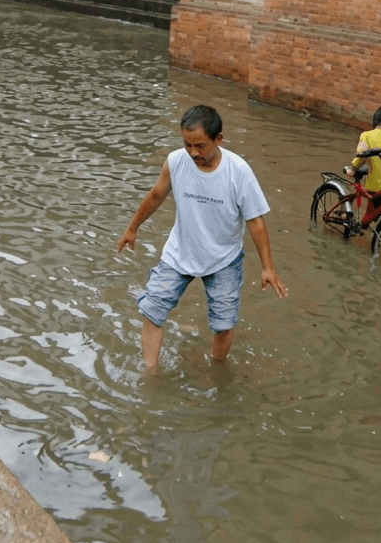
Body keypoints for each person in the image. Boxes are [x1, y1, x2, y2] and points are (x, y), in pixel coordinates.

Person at [116, 105, 288, 371]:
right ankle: (150, 373)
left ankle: (217, 371)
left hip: (223, 259)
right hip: (179, 253)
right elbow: (156, 195)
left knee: (223, 324)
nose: (193, 153)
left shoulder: (238, 171)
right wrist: (132, 228)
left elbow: (255, 220)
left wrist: (267, 267)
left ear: (218, 139)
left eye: (200, 146)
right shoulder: (175, 161)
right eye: (187, 144)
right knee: (153, 311)